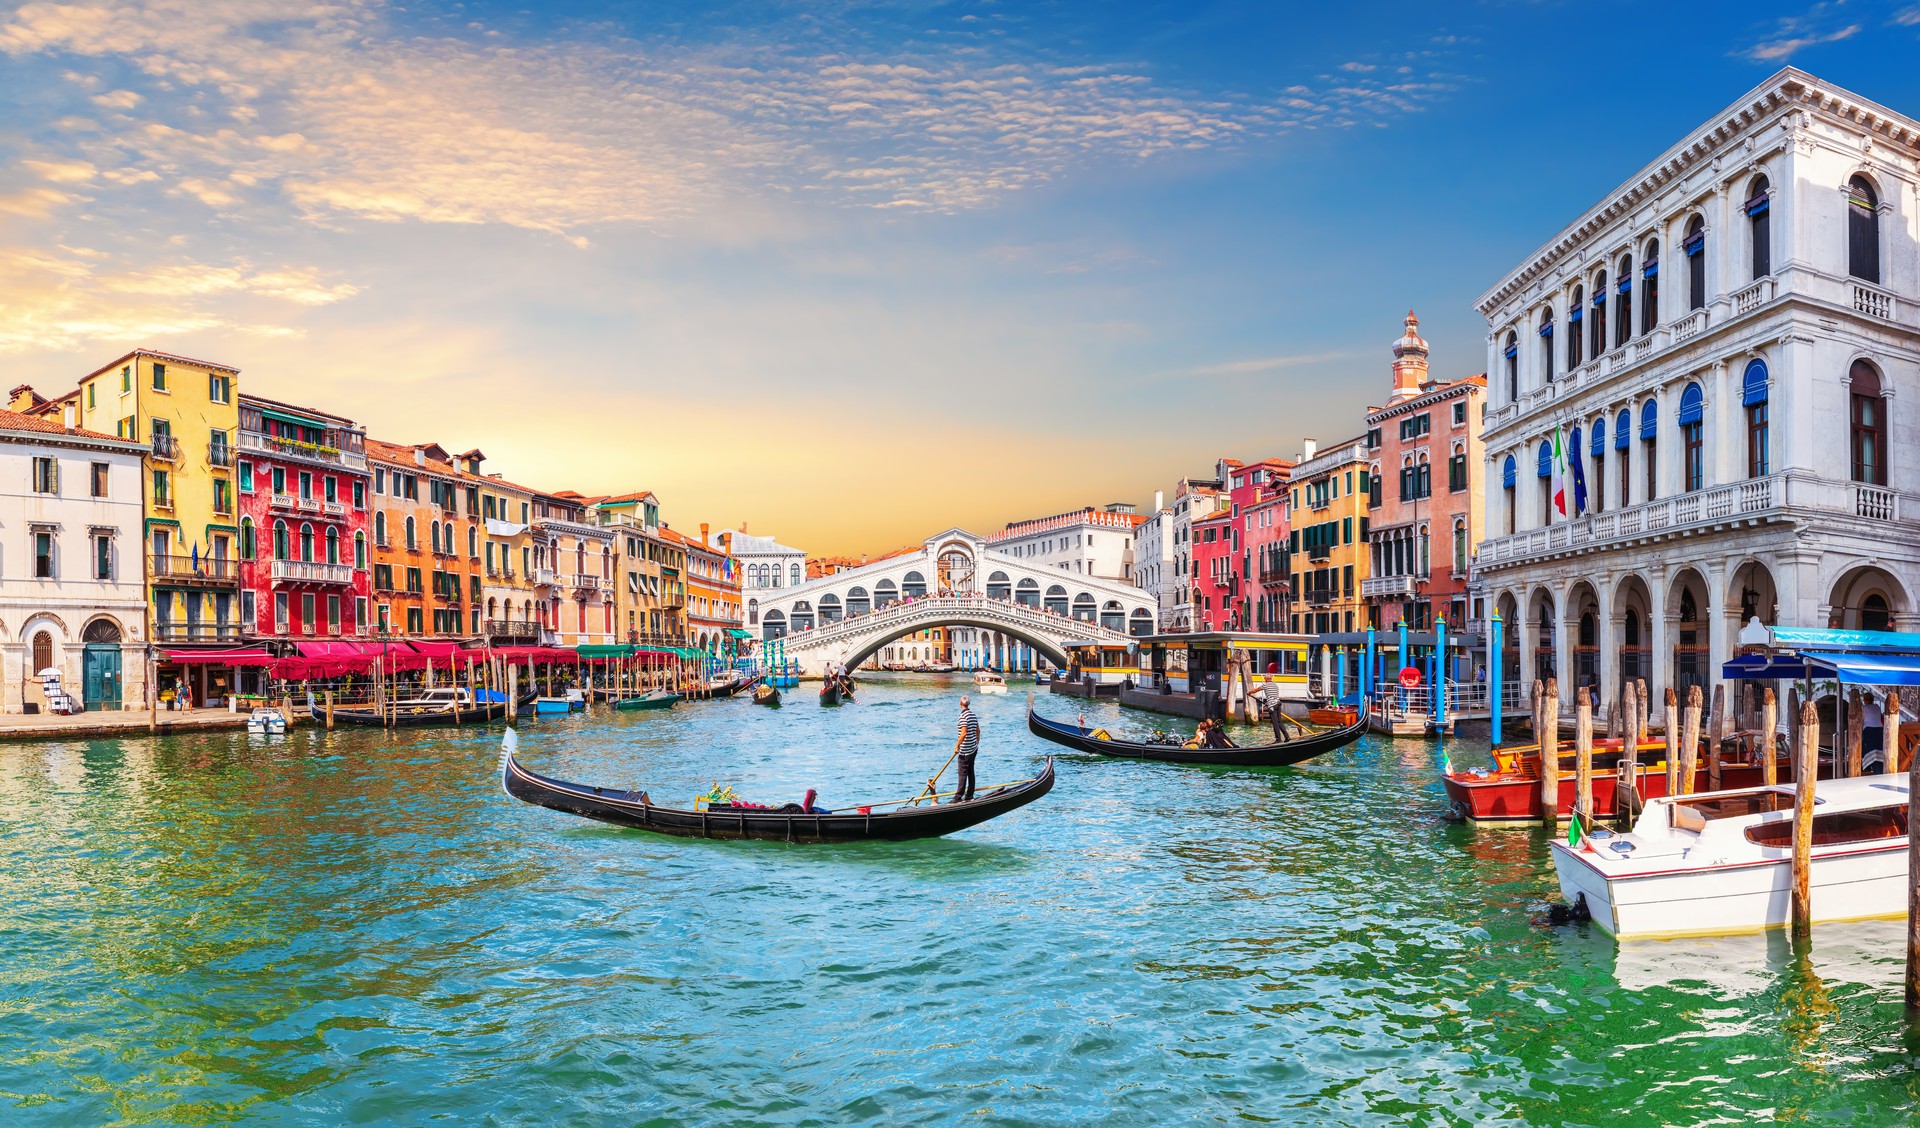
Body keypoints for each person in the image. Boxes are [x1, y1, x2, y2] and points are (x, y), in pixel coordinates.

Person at [950, 694, 980, 803]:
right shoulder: (973, 714)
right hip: (973, 748)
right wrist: (976, 742)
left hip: (965, 751)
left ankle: (958, 797)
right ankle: (969, 795)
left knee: (962, 773)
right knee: (970, 771)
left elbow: (963, 733)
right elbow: (978, 731)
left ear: (960, 704)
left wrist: (957, 746)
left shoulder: (962, 716)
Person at [1863, 693, 1887, 773]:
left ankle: (1871, 767)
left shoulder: (1863, 708)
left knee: (1870, 750)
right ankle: (1879, 769)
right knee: (1879, 750)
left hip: (1869, 730)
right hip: (1879, 729)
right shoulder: (1877, 707)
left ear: (1865, 700)